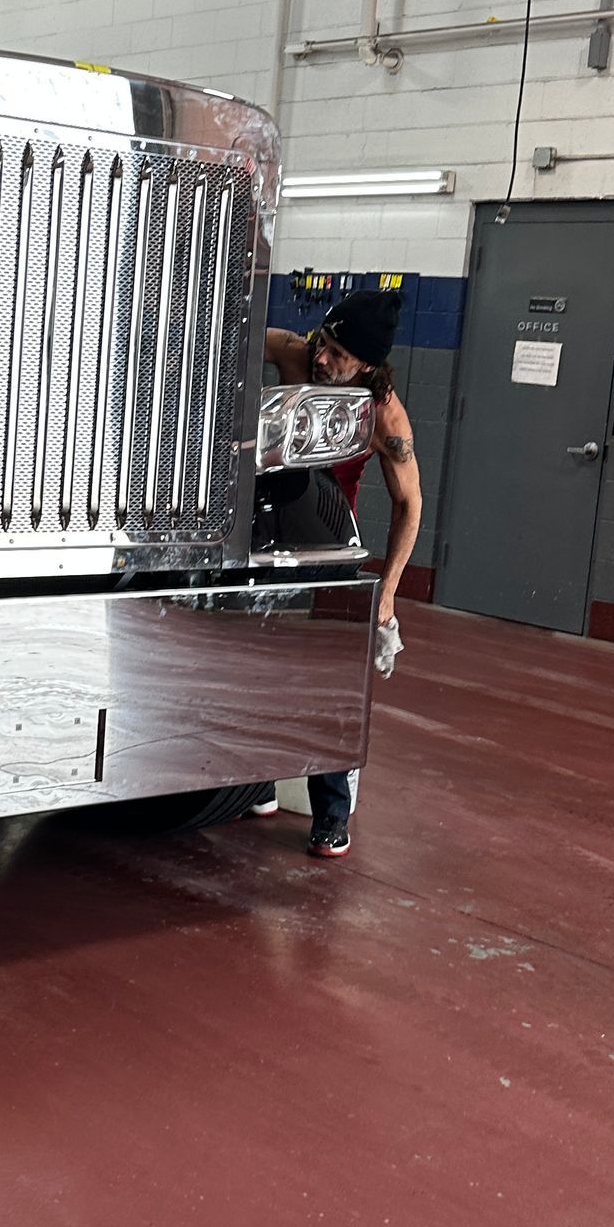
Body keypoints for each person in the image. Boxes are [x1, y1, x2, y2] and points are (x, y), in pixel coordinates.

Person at [251, 286, 422, 859]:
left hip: (328, 547)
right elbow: (240, 340)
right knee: (252, 666)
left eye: (340, 354)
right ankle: (254, 779)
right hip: (265, 531)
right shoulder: (296, 353)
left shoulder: (384, 415)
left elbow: (410, 504)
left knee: (328, 684)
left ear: (368, 366)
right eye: (324, 341)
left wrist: (389, 591)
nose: (323, 359)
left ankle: (330, 814)